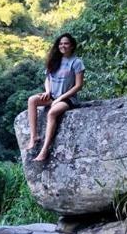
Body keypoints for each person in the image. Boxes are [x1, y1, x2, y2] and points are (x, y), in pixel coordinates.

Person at [25, 33, 84, 162]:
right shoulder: (55, 59)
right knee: (32, 100)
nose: (63, 46)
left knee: (52, 113)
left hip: (68, 98)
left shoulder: (76, 62)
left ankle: (45, 150)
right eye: (61, 43)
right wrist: (47, 91)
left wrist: (60, 98)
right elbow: (48, 78)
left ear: (72, 46)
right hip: (53, 95)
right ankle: (33, 137)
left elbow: (79, 85)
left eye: (66, 43)